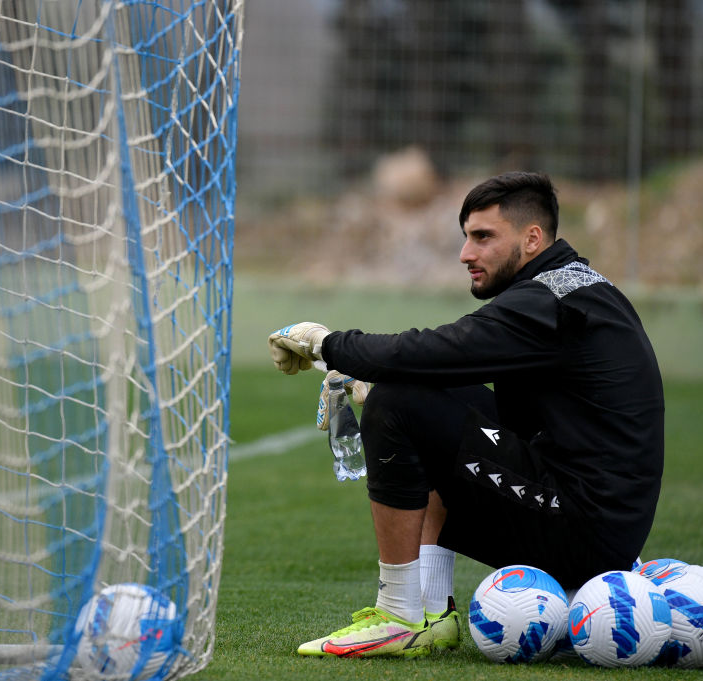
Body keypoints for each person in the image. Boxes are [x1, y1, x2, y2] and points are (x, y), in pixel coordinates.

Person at [267, 171, 664, 658]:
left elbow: (437, 348)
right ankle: (432, 613)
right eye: (465, 237)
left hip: (585, 533)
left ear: (532, 238)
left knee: (400, 402)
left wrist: (326, 345)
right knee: (422, 394)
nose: (466, 254)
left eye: (483, 237)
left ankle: (399, 615)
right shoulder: (569, 288)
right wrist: (370, 374)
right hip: (598, 519)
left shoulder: (547, 303)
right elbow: (443, 369)